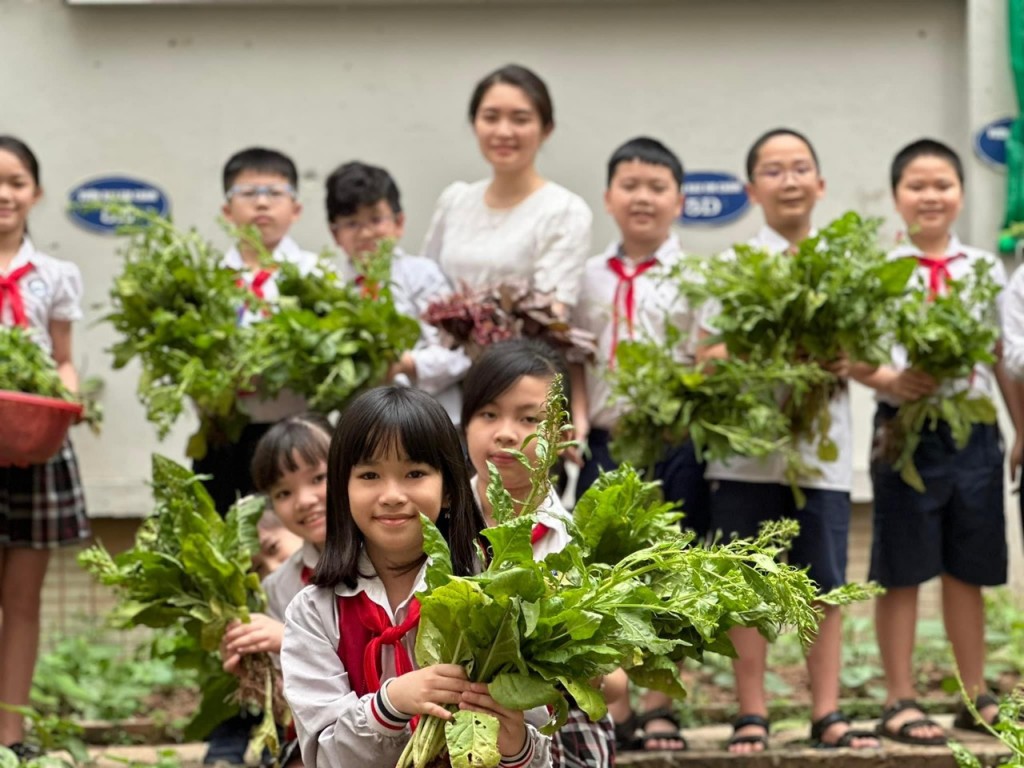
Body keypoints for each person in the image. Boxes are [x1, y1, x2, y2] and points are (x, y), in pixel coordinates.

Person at [698, 128, 878, 752]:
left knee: (823, 585)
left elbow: (870, 356)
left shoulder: (845, 273)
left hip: (821, 458)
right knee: (747, 586)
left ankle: (826, 711)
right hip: (746, 457)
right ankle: (753, 711)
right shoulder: (731, 268)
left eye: (800, 167)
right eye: (773, 171)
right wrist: (764, 348)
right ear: (752, 190)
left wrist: (842, 358)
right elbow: (706, 356)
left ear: (821, 183)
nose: (790, 180)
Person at [280, 386, 551, 768]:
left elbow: (536, 747)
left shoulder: (495, 594)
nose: (392, 495)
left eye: (414, 473)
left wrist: (515, 746)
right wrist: (389, 706)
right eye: (370, 474)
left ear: (450, 491)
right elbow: (324, 755)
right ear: (343, 488)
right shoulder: (313, 612)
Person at [853, 138, 1013, 744]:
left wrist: (1019, 427)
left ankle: (975, 694)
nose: (930, 196)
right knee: (901, 567)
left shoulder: (981, 266)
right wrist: (890, 378)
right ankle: (899, 698)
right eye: (916, 185)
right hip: (904, 431)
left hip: (973, 430)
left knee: (965, 566)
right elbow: (849, 354)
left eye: (942, 184)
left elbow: (1000, 357)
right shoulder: (879, 271)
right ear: (896, 196)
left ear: (961, 194)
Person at [570, 136, 707, 752]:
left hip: (676, 443)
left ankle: (661, 706)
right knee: (605, 572)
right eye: (630, 186)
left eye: (657, 187)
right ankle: (612, 701)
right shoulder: (587, 277)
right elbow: (576, 361)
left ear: (678, 200)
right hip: (607, 440)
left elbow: (709, 357)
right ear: (609, 197)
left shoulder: (698, 276)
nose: (643, 198)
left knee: (674, 572)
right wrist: (574, 419)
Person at [462, 339, 613, 768]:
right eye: (488, 414)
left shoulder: (575, 541)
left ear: (563, 437)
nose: (505, 432)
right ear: (465, 421)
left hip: (553, 725)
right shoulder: (435, 520)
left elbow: (607, 681)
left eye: (528, 418)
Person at [0, 135, 90, 756]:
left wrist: (65, 405)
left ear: (36, 192)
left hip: (35, 447)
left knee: (23, 599)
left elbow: (62, 362)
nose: (3, 194)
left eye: (15, 181)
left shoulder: (57, 275)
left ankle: (12, 732)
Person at [194, 147, 319, 516]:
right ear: (227, 211)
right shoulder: (207, 280)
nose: (261, 204)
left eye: (275, 193)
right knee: (225, 535)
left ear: (295, 209)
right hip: (226, 433)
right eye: (248, 193)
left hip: (299, 430)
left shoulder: (316, 277)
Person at [421, 64, 592, 316]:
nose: (503, 132)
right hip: (436, 353)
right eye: (490, 117)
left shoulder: (564, 211)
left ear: (546, 129)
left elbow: (550, 315)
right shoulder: (455, 201)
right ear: (474, 124)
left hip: (518, 354)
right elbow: (426, 282)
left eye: (520, 119)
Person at [215, 415, 333, 768]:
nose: (304, 500)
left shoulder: (386, 557)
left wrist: (290, 638)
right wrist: (254, 672)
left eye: (318, 478)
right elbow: (293, 703)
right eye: (283, 492)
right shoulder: (279, 586)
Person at [325, 161, 470, 423]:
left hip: (430, 420)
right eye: (351, 223)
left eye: (376, 219)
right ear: (335, 234)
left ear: (399, 222)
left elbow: (458, 354)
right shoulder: (330, 285)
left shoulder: (423, 275)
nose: (366, 232)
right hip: (363, 425)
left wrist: (405, 364)